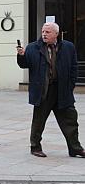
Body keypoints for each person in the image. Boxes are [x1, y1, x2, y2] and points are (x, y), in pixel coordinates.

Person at [16, 22, 85, 158]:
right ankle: (35, 147)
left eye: (47, 32)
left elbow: (73, 67)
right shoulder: (32, 47)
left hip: (62, 91)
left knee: (70, 120)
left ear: (56, 34)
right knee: (38, 121)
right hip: (43, 91)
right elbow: (24, 65)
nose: (44, 34)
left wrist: (70, 86)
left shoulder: (68, 47)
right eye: (43, 32)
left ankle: (75, 148)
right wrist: (21, 55)